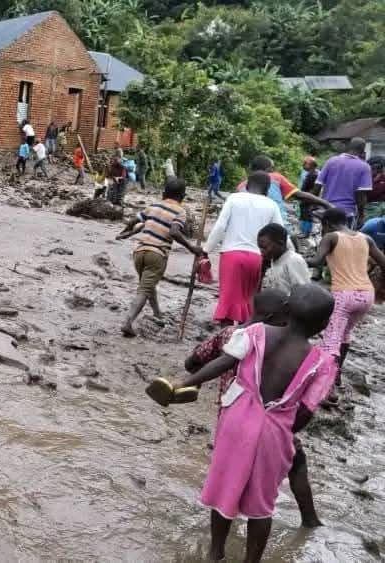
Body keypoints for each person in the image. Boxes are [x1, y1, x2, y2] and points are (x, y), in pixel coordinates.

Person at [147, 284, 337, 562]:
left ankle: (215, 553)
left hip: (235, 420)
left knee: (225, 488)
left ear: (284, 310)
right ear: (323, 325)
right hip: (274, 432)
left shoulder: (253, 333)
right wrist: (283, 430)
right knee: (262, 504)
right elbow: (307, 410)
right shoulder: (323, 363)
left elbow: (223, 363)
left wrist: (183, 384)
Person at [118, 177, 204, 337]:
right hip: (157, 255)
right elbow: (174, 232)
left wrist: (125, 232)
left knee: (147, 285)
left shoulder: (154, 206)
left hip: (139, 252)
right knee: (144, 288)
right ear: (183, 197)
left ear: (164, 193)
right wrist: (192, 247)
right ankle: (128, 321)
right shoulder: (180, 211)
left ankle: (157, 314)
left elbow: (135, 220)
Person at [306, 207, 385, 374]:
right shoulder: (366, 238)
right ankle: (337, 374)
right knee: (345, 334)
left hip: (344, 295)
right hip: (366, 294)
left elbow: (317, 261)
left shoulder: (331, 237)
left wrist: (300, 258)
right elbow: (383, 262)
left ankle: (327, 382)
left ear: (326, 224)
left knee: (331, 339)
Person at [204, 171, 286, 325]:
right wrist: (288, 256)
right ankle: (242, 337)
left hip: (231, 255)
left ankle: (225, 338)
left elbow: (220, 227)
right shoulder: (272, 205)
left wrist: (206, 249)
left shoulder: (234, 198)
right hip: (256, 257)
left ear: (246, 185)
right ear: (268, 189)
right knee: (248, 301)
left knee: (228, 302)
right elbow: (280, 232)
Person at [316, 138, 373, 228]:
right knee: (343, 240)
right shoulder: (364, 167)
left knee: (326, 239)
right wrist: (361, 215)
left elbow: (318, 185)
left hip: (327, 210)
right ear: (363, 150)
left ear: (349, 147)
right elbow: (361, 195)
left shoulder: (331, 161)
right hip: (347, 213)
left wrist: (315, 205)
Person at [258, 223, 310, 294]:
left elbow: (304, 292)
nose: (261, 252)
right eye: (260, 247)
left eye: (264, 247)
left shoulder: (293, 260)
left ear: (281, 243)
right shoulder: (274, 260)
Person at [298, 156, 320, 237]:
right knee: (305, 214)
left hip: (307, 197)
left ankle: (306, 232)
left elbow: (308, 187)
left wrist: (303, 196)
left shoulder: (312, 174)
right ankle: (304, 231)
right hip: (309, 197)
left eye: (305, 163)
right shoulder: (315, 173)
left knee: (306, 214)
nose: (303, 165)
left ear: (310, 165)